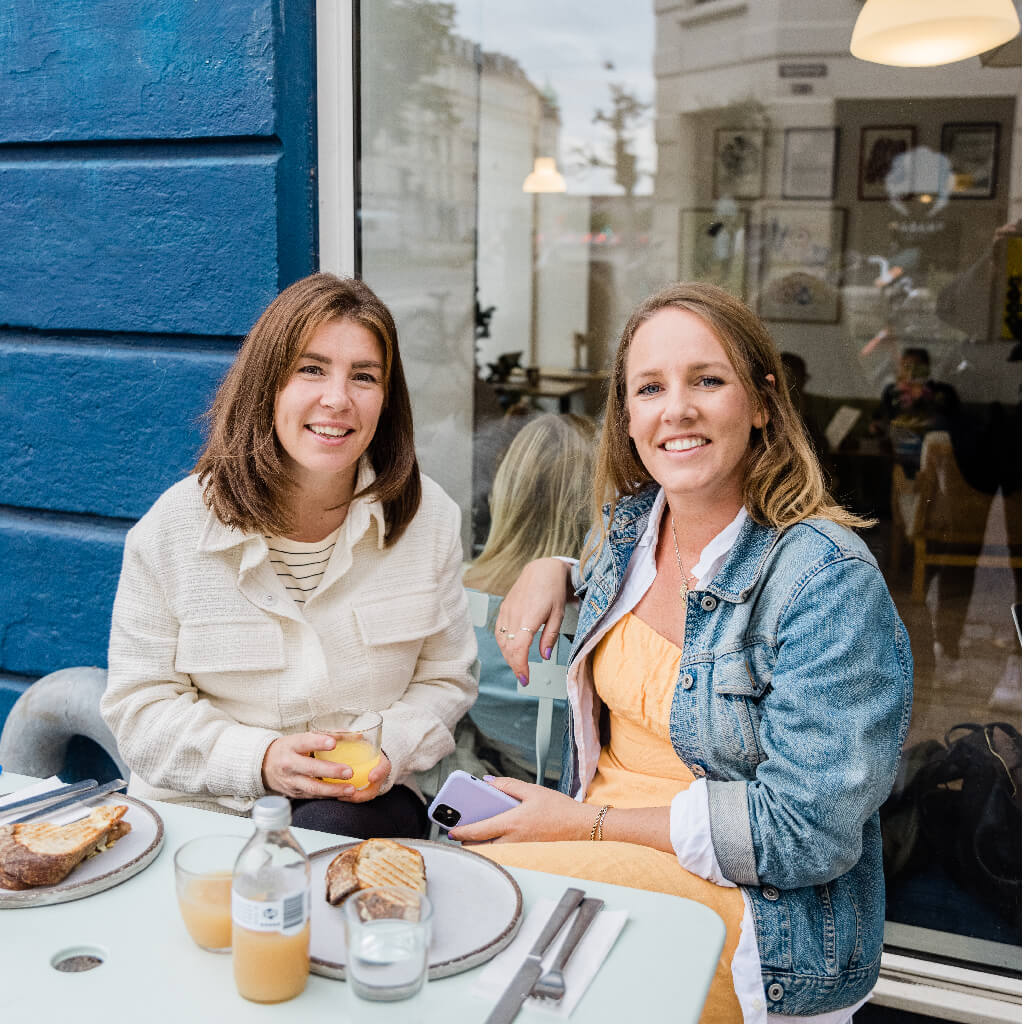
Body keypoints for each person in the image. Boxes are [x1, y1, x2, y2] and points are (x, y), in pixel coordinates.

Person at [448, 283, 913, 1024]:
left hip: (750, 911)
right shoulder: (633, 529)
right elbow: (622, 598)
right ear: (627, 418)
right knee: (442, 902)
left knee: (461, 900)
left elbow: (806, 832)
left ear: (762, 402)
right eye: (650, 388)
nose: (677, 410)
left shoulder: (826, 579)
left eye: (707, 380)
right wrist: (556, 571)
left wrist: (581, 827)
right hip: (593, 854)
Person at [101, 273, 477, 838]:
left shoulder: (430, 521)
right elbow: (140, 706)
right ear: (266, 384)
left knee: (330, 825)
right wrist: (261, 759)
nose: (337, 399)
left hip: (360, 810)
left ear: (386, 398)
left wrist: (387, 751)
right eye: (311, 368)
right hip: (202, 820)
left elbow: (446, 678)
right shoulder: (174, 531)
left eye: (364, 377)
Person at [462, 413, 597, 781]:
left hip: (502, 777)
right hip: (596, 790)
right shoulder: (610, 609)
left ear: (502, 493)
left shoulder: (457, 597)